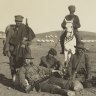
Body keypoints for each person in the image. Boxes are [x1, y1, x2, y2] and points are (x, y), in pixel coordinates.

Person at [3, 15, 35, 79]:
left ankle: (23, 79)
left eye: (20, 21)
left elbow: (30, 41)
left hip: (23, 51)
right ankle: (14, 79)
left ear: (22, 21)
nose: (18, 23)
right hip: (13, 51)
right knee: (13, 65)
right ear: (15, 21)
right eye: (17, 21)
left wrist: (25, 43)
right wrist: (7, 51)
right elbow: (7, 41)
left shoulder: (25, 29)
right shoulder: (11, 30)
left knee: (24, 65)